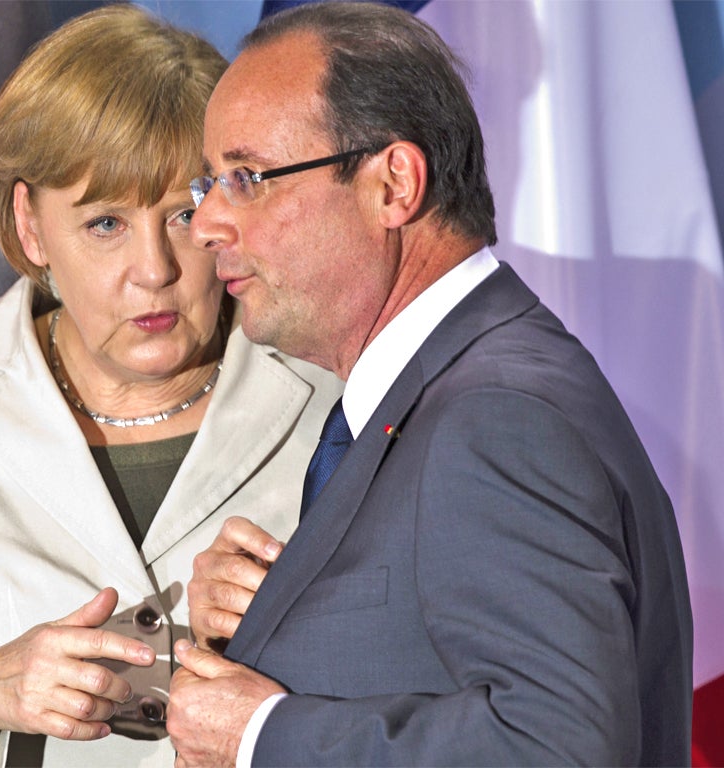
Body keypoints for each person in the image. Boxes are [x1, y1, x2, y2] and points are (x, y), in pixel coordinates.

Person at [0, 6, 342, 767]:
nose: (156, 270)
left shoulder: (332, 393)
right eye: (105, 224)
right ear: (30, 226)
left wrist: (316, 634)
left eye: (184, 214)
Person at [166, 3, 693, 766]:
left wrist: (262, 738)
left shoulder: (496, 417)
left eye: (247, 178)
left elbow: (557, 748)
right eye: (210, 183)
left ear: (393, 185)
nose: (208, 221)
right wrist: (272, 618)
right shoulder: (442, 392)